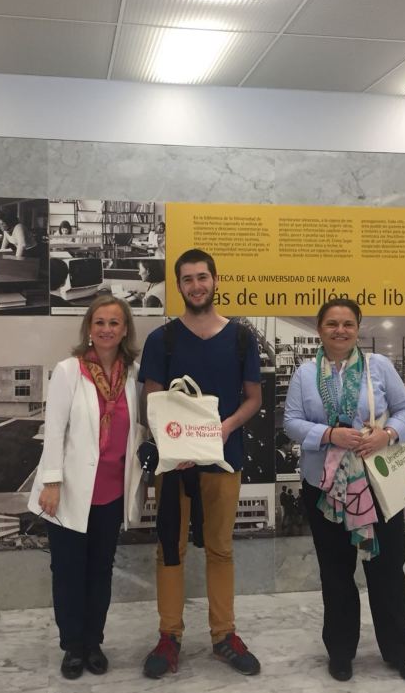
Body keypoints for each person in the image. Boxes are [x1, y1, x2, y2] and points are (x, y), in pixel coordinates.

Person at [283, 298, 405, 685]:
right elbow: (291, 422)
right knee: (336, 573)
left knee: (387, 569)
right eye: (332, 323)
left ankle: (400, 652)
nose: (340, 330)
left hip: (376, 484)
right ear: (319, 329)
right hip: (324, 488)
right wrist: (329, 434)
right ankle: (341, 652)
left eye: (347, 324)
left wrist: (386, 434)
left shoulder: (379, 367)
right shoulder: (304, 374)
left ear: (358, 329)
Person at [138, 248, 262, 679]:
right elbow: (152, 402)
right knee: (169, 550)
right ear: (179, 286)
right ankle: (168, 636)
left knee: (220, 549)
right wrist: (176, 442)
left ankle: (224, 635)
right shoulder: (162, 340)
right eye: (187, 279)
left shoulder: (241, 338)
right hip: (174, 465)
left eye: (202, 277)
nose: (196, 286)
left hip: (224, 460)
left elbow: (254, 399)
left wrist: (225, 428)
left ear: (215, 280)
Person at [27, 296, 144, 680]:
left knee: (100, 572)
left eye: (114, 323)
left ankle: (94, 642)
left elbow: (138, 431)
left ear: (125, 330)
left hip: (111, 493)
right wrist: (52, 482)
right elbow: (53, 431)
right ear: (89, 329)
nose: (106, 329)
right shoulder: (69, 370)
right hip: (69, 492)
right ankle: (72, 646)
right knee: (68, 572)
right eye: (99, 322)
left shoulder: (133, 375)